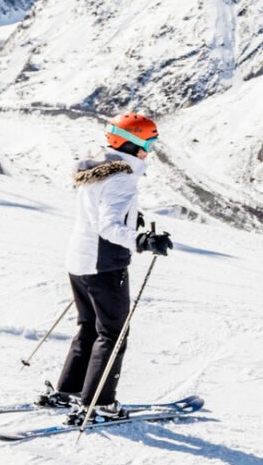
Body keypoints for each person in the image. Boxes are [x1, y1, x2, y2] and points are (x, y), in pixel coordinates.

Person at [43, 113, 171, 419]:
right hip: (103, 265)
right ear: (132, 144)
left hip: (78, 260)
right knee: (113, 334)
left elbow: (98, 211)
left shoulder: (98, 168)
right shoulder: (122, 178)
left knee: (89, 327)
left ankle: (69, 391)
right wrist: (142, 240)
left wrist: (131, 218)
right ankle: (99, 402)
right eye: (148, 143)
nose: (150, 150)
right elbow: (108, 227)